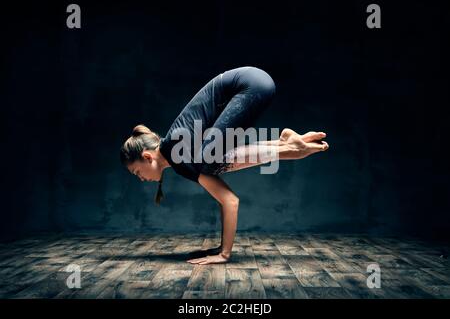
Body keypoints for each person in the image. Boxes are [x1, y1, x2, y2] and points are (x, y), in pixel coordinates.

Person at [120, 66, 329, 265]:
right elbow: (224, 195)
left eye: (136, 172)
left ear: (147, 157)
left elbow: (230, 201)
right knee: (211, 158)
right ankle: (285, 143)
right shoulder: (178, 152)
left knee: (209, 161)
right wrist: (222, 247)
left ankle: (288, 147)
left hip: (250, 85)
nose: (140, 178)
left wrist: (224, 254)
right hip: (254, 82)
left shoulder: (178, 154)